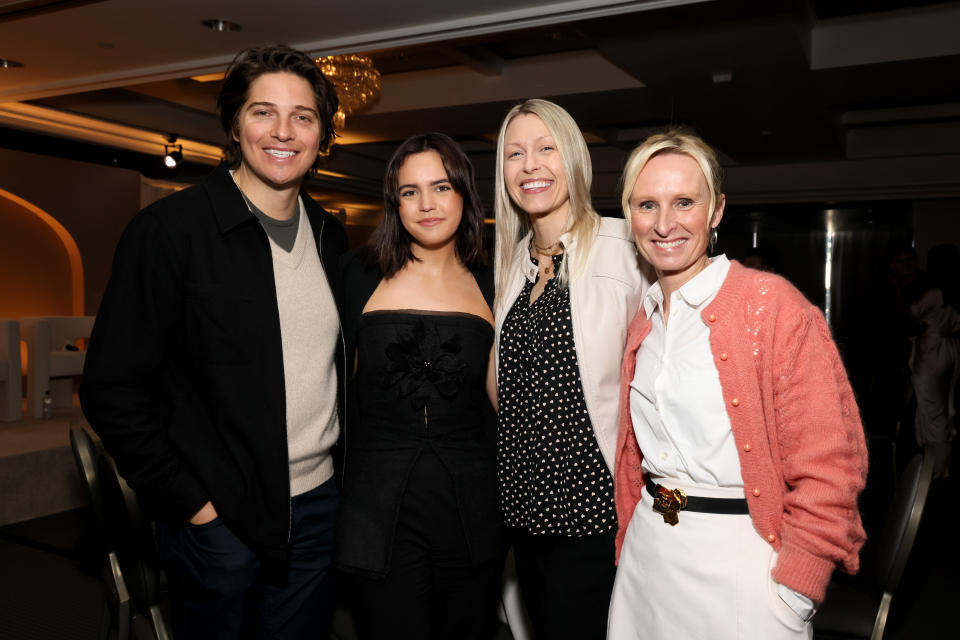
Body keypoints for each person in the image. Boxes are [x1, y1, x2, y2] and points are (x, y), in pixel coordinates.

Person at [80, 45, 346, 639]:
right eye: (263, 112)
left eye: (302, 116)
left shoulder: (331, 233)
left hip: (319, 505)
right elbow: (111, 389)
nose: (283, 131)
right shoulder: (171, 232)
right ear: (234, 124)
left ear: (322, 134)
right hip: (221, 516)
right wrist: (194, 506)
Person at [608, 130, 868, 639]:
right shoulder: (646, 317)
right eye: (646, 204)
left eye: (684, 201)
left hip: (743, 567)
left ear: (716, 210)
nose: (664, 224)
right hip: (649, 558)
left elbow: (831, 466)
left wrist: (796, 591)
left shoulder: (771, 307)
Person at [336, 133, 508, 639]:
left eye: (441, 187)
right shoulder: (355, 275)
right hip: (378, 510)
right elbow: (334, 390)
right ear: (394, 203)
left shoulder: (495, 280)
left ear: (464, 195)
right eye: (410, 191)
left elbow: (504, 401)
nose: (427, 204)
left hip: (472, 509)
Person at [492, 99, 647, 639]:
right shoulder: (513, 261)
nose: (530, 165)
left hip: (591, 510)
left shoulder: (625, 246)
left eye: (545, 148)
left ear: (574, 158)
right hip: (522, 510)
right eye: (515, 153)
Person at [910, 243, 960, 478]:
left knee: (932, 411)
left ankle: (936, 471)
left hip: (932, 351)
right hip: (950, 349)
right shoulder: (954, 291)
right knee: (942, 408)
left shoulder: (935, 293)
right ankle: (938, 466)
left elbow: (912, 316)